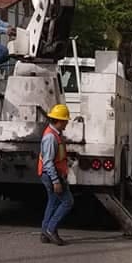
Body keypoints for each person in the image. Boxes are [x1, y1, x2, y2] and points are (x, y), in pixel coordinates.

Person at [38, 103, 74, 246]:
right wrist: (56, 181)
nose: (66, 123)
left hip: (53, 174)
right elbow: (48, 162)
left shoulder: (55, 134)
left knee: (53, 202)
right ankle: (50, 229)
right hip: (51, 175)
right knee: (67, 202)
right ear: (59, 120)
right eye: (65, 120)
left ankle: (45, 232)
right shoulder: (51, 138)